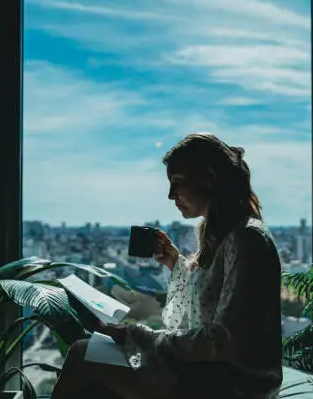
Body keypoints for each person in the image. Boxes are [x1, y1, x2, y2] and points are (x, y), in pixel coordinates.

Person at [51, 133, 284, 399]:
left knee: (84, 354)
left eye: (177, 182)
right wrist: (175, 263)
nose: (171, 195)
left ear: (207, 178)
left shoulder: (246, 239)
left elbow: (222, 340)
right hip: (214, 372)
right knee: (91, 354)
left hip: (232, 385)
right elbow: (208, 307)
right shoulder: (227, 234)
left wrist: (137, 336)